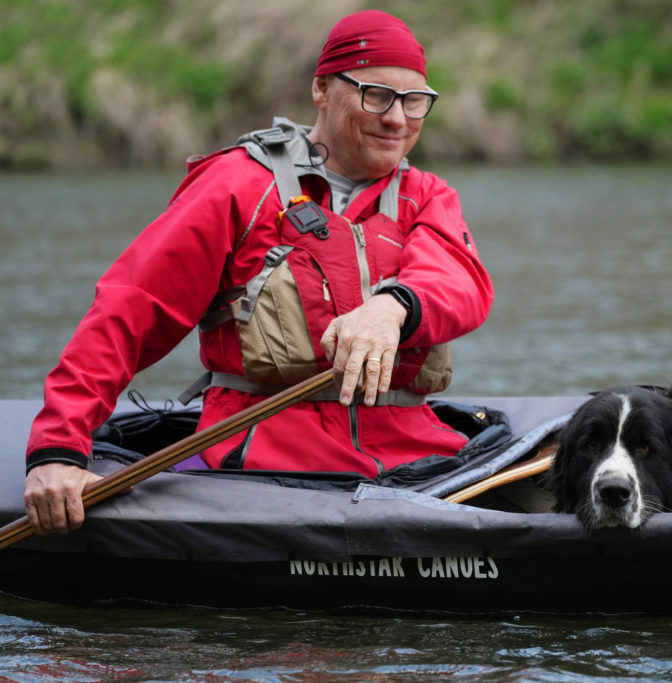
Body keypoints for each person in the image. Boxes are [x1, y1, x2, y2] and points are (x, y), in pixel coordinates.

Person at [23, 10, 494, 535]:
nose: (397, 119)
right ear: (321, 88)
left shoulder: (427, 195)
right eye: (375, 94)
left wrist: (392, 307)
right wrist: (57, 448)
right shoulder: (236, 184)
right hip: (261, 463)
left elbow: (457, 280)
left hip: (417, 457)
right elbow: (130, 309)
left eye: (414, 101)